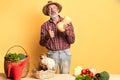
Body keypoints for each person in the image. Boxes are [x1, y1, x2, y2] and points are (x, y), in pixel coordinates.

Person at [39, 1, 75, 74]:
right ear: (47, 12)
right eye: (49, 9)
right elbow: (41, 43)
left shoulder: (67, 22)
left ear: (58, 9)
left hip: (65, 53)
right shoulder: (44, 26)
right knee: (51, 76)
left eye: (54, 8)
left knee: (65, 76)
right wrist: (47, 36)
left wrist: (68, 32)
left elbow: (72, 41)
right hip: (52, 54)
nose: (52, 10)